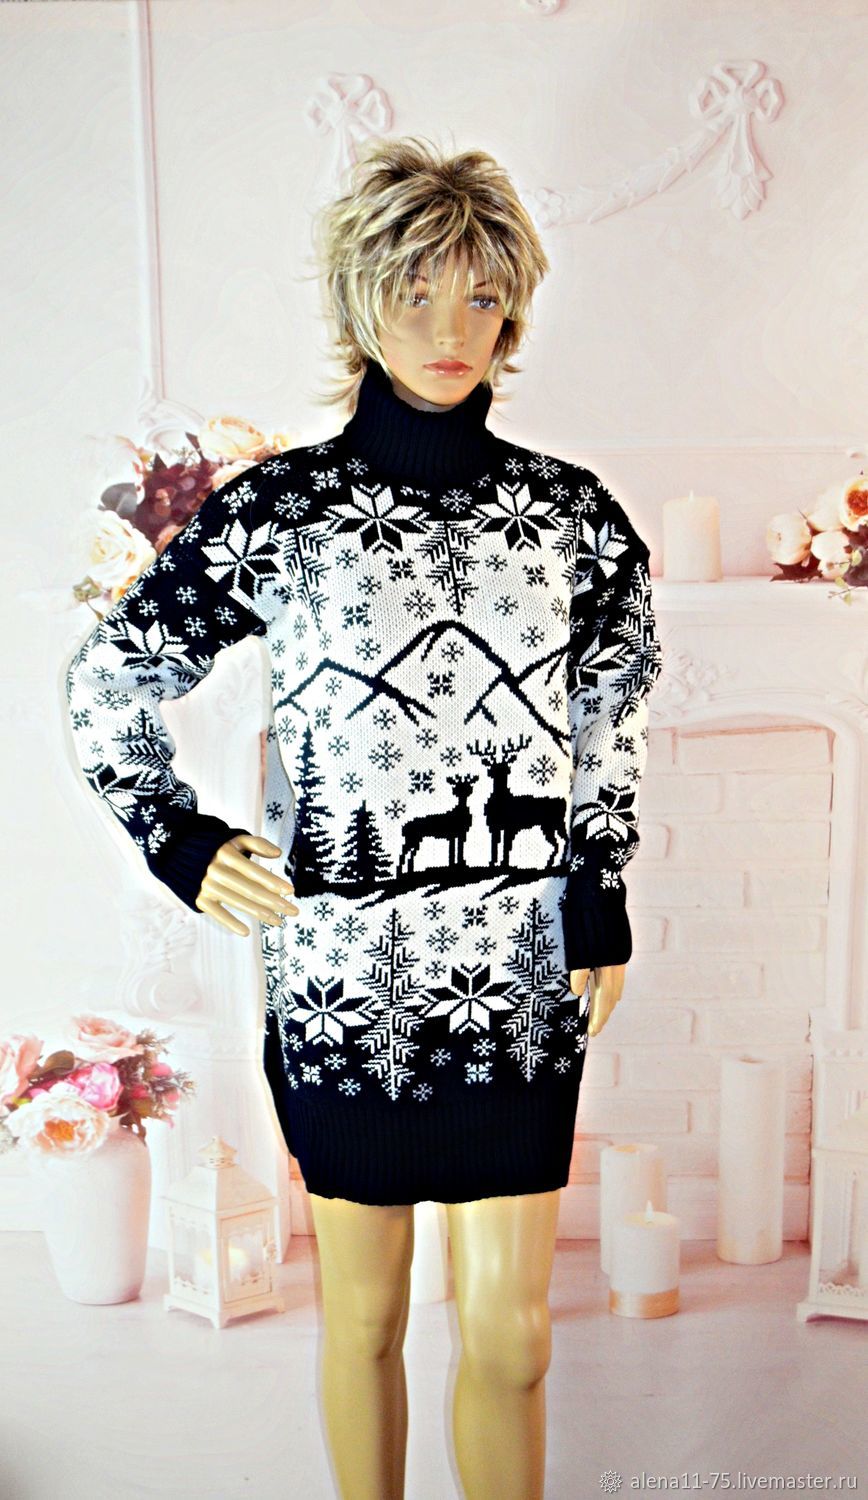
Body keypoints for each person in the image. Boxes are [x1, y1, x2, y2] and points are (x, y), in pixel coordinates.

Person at [65, 135, 663, 1500]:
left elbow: (611, 716)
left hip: (518, 972)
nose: (450, 328)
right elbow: (111, 676)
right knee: (367, 1316)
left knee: (512, 1337)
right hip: (345, 983)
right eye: (414, 292)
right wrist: (180, 836)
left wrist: (601, 889)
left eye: (480, 295)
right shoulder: (284, 513)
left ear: (514, 312)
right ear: (360, 304)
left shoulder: (574, 520)